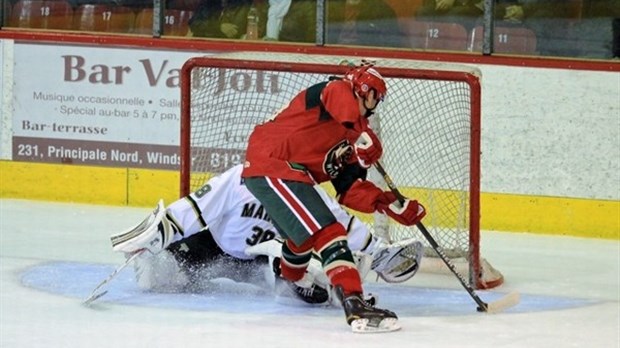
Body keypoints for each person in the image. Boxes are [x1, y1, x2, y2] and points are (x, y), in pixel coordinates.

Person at [240, 64, 427, 333]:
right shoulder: (336, 91)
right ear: (365, 90)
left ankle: (291, 279)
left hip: (291, 174)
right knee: (329, 231)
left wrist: (390, 204)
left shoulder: (355, 139)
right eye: (377, 95)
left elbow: (349, 190)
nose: (377, 103)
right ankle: (355, 304)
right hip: (272, 164)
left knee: (302, 240)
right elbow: (338, 98)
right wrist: (362, 138)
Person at [111, 164, 423, 305]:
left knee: (304, 280)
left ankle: (327, 281)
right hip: (214, 246)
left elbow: (341, 225)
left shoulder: (305, 191)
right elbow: (193, 210)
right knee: (159, 276)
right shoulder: (238, 179)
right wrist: (157, 238)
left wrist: (378, 250)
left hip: (265, 259)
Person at [188, 0, 266, 39]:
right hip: (205, 48)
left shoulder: (246, 5)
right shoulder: (209, 3)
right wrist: (219, 27)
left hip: (234, 51)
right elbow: (194, 24)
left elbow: (258, 29)